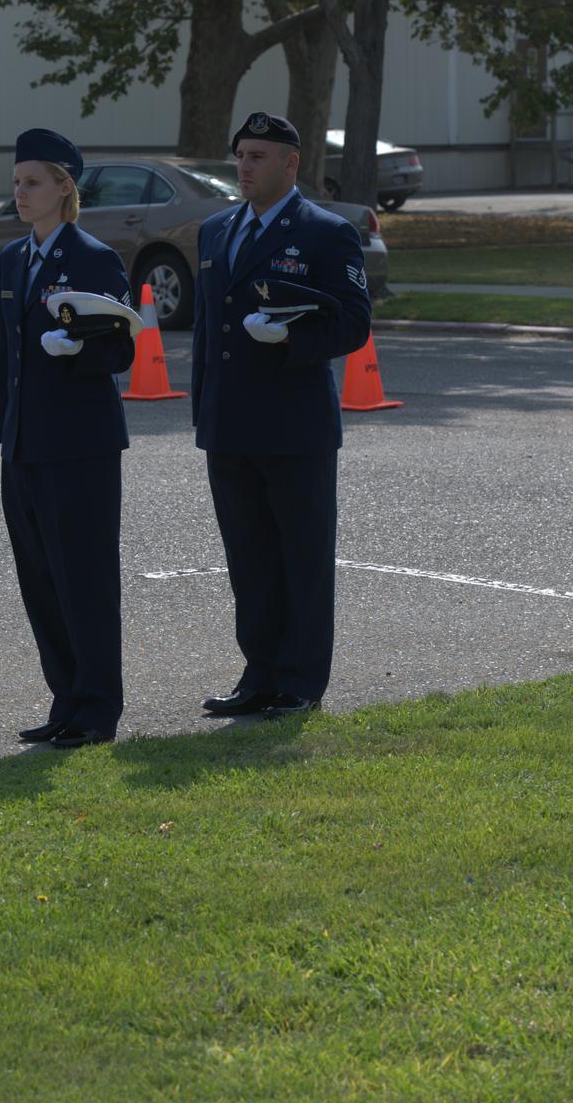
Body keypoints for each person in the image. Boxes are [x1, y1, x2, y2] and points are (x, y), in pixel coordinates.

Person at [192, 112, 372, 719]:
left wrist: (290, 342)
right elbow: (204, 331)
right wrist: (204, 410)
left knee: (302, 557)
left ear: (291, 164)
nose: (244, 166)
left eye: (259, 156)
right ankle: (258, 674)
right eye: (241, 155)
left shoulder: (325, 232)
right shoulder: (216, 231)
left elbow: (352, 322)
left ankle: (299, 682)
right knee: (249, 559)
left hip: (294, 425)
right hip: (230, 423)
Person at [0, 127, 136, 748]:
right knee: (42, 579)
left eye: (32, 182)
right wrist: (7, 433)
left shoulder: (93, 258)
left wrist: (77, 348)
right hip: (26, 445)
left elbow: (122, 348)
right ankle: (65, 699)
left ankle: (98, 710)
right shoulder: (12, 259)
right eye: (17, 182)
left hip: (81, 447)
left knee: (85, 579)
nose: (20, 193)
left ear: (62, 187)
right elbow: (9, 359)